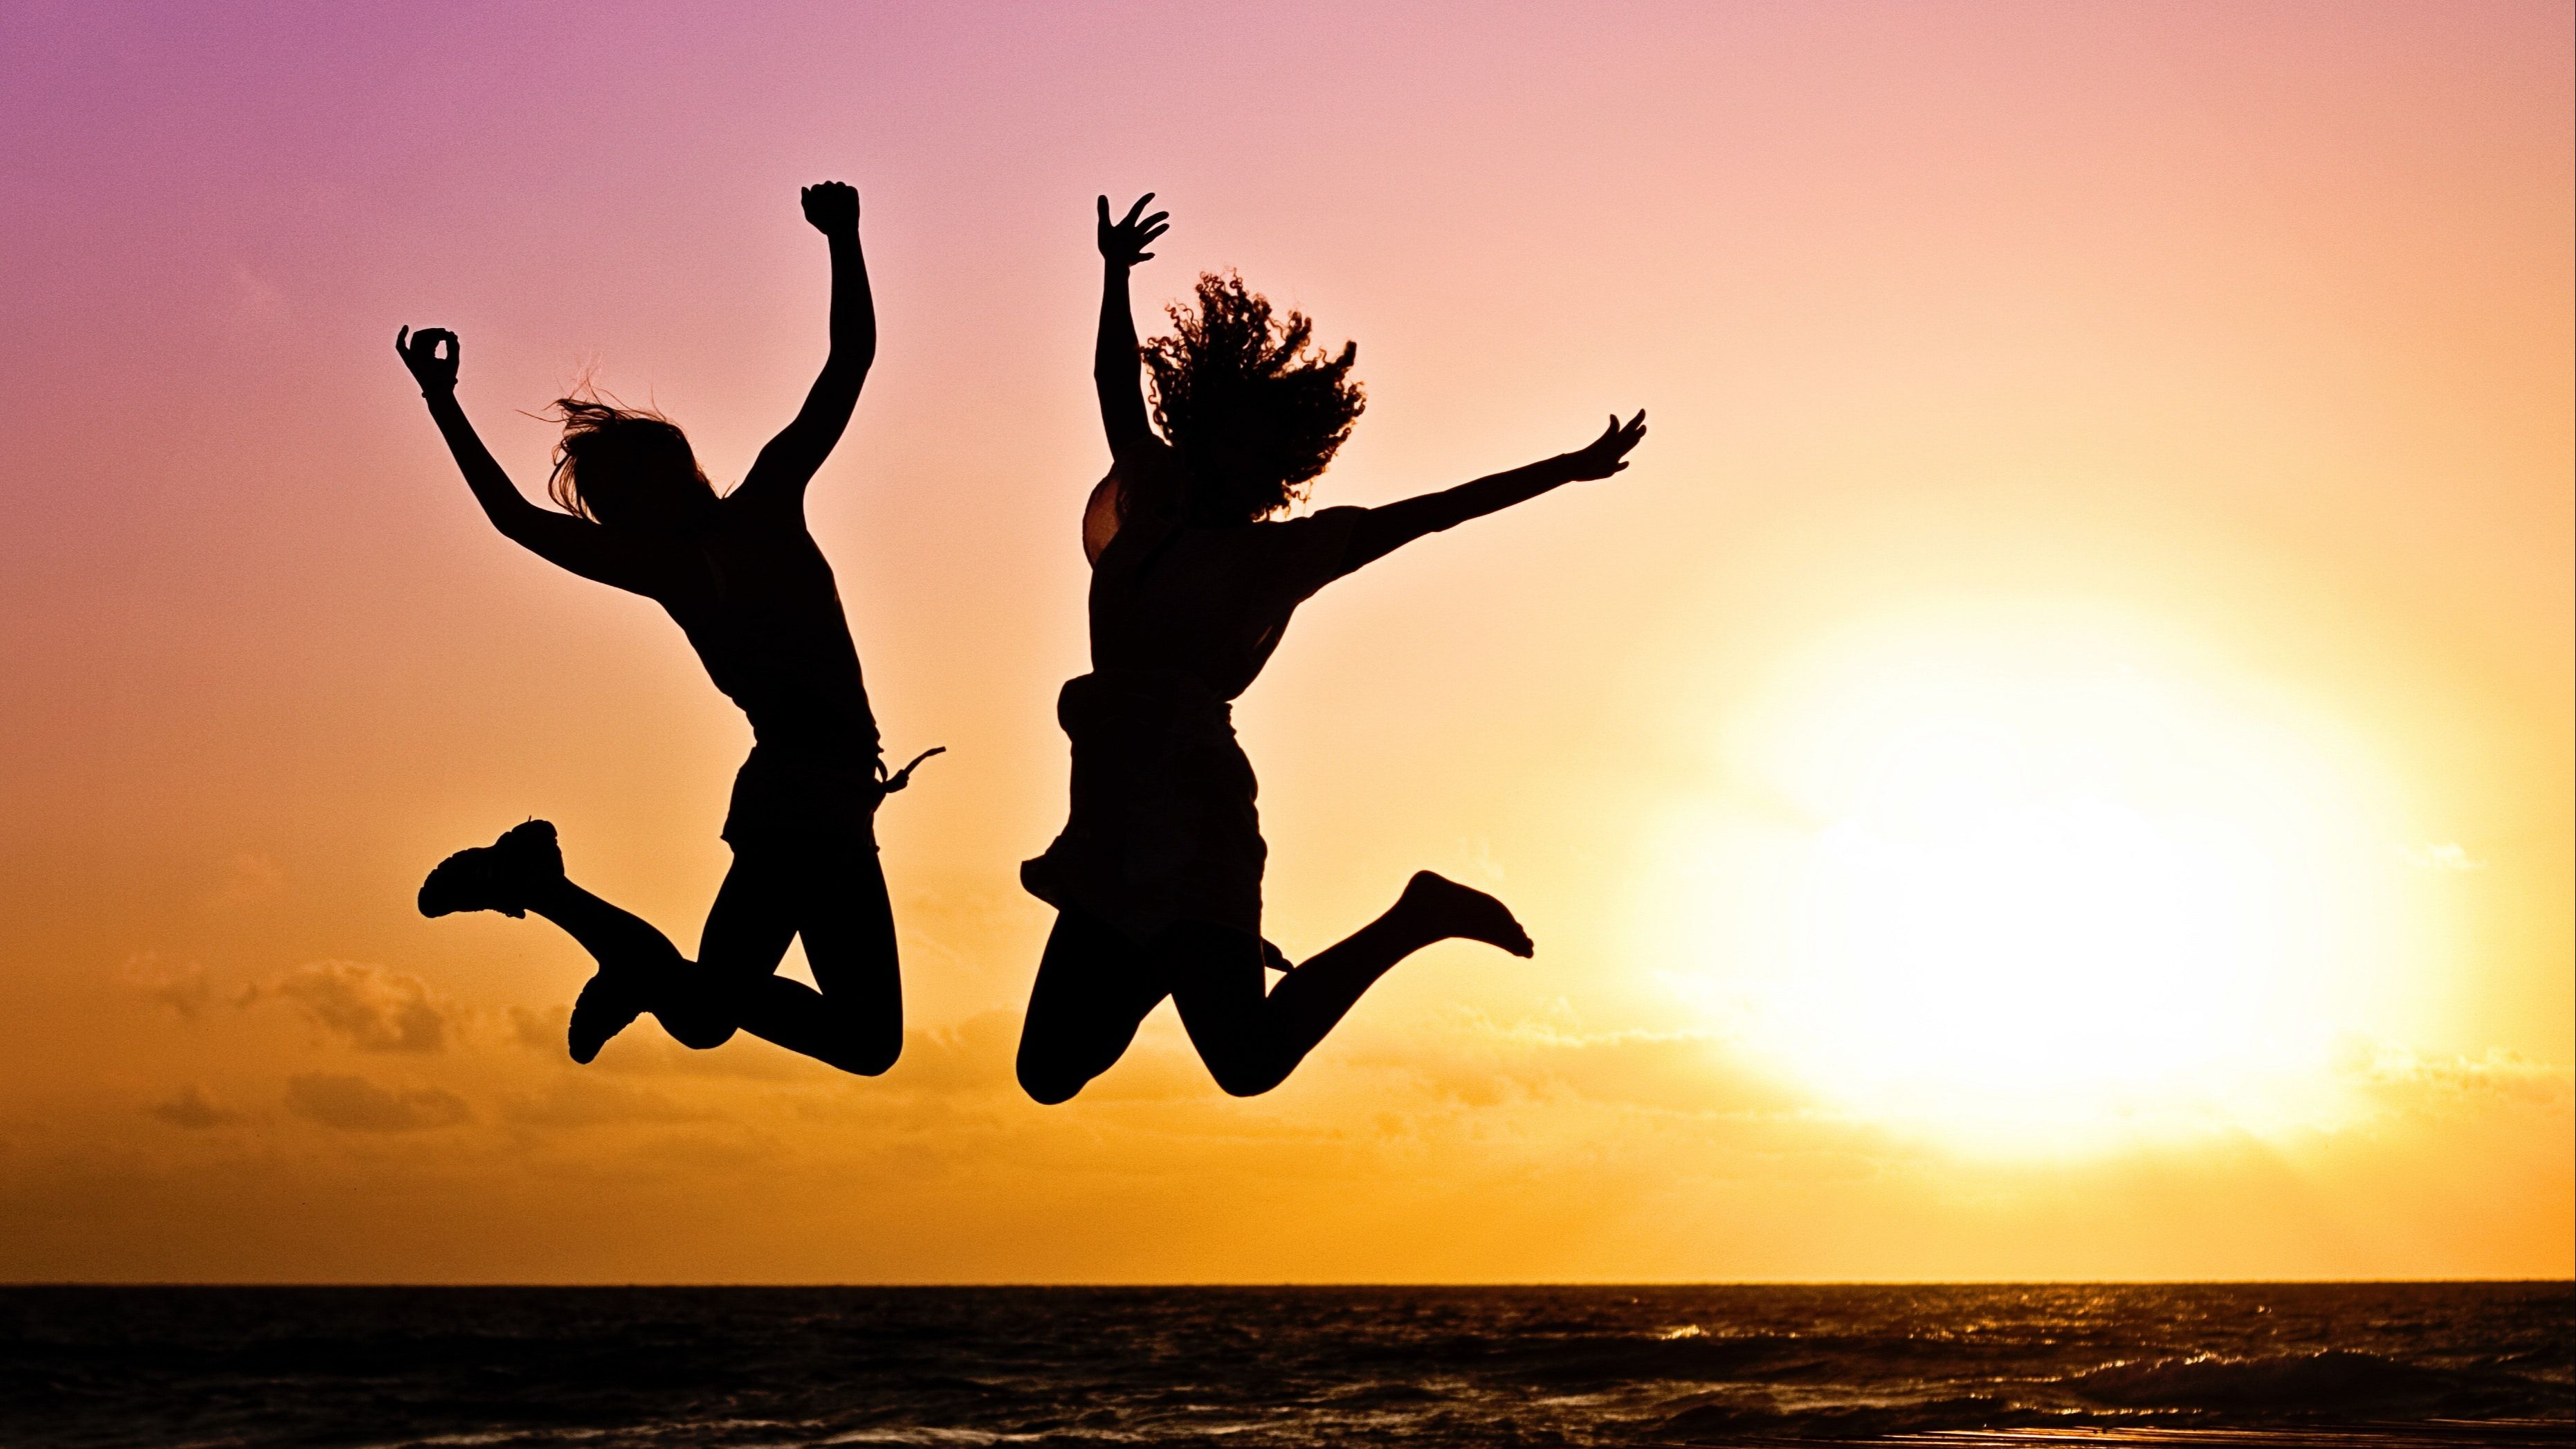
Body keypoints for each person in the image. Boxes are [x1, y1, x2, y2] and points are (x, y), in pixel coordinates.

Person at [1015, 194, 1647, 1103]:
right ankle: (1170, 951)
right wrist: (1114, 272)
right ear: (1207, 417)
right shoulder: (1151, 493)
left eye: (1261, 452)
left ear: (1280, 466)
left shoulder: (1285, 555)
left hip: (1193, 817)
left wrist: (1568, 468)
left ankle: (1416, 915)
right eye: (1233, 436)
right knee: (1047, 1071)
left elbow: (1436, 513)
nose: (1239, 462)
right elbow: (1115, 385)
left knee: (1247, 1060)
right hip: (1111, 810)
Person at [396, 180, 932, 1075]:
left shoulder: (734, 525)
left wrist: (845, 238)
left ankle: (569, 907)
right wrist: (844, 234)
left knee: (717, 1014)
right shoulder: (713, 540)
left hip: (812, 794)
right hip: (807, 797)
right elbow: (516, 520)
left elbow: (850, 365)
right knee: (817, 1030)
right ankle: (572, 910)